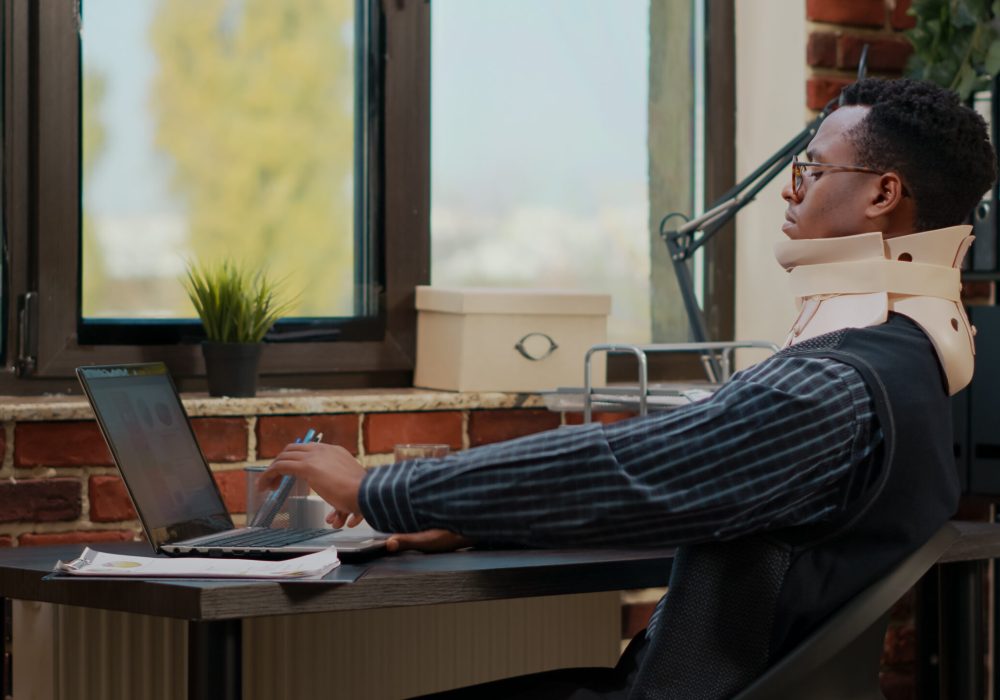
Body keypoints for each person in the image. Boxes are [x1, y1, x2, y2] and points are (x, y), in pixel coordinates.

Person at [260, 78, 997, 699]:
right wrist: (475, 521)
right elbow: (683, 481)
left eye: (810, 170)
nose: (789, 191)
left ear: (882, 195)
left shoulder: (832, 385)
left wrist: (379, 489)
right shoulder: (916, 365)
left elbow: (632, 469)